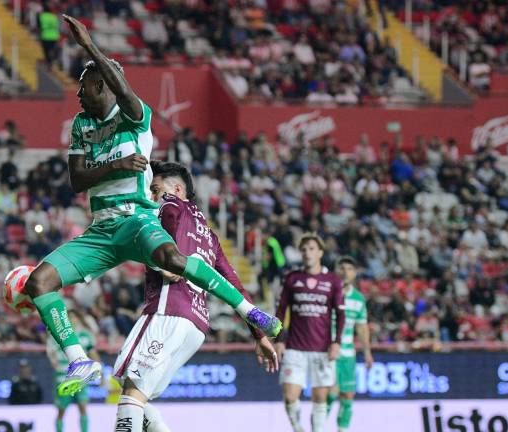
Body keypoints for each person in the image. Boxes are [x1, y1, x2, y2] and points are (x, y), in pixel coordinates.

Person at [24, 15, 281, 398]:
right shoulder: (81, 124)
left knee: (172, 258)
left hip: (136, 218)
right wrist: (115, 166)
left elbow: (121, 90)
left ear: (102, 85)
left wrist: (89, 46)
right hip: (101, 232)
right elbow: (78, 180)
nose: (78, 95)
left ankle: (250, 312)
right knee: (38, 282)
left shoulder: (135, 115)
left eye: (84, 87)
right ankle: (80, 360)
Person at [112, 161, 279, 432]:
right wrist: (258, 335)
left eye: (155, 189)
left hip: (169, 309)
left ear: (176, 189)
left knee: (132, 389)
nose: (152, 196)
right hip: (196, 325)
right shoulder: (211, 237)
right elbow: (234, 285)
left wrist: (161, 260)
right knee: (135, 390)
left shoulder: (169, 204)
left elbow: (160, 237)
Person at [275, 233, 345, 432]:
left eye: (312, 248)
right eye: (304, 249)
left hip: (321, 349)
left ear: (321, 252)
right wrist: (280, 339)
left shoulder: (332, 281)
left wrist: (336, 342)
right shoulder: (292, 278)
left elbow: (340, 315)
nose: (307, 253)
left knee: (321, 398)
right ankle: (298, 428)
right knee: (290, 396)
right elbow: (281, 311)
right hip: (294, 348)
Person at [328, 256, 373, 432]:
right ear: (335, 272)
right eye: (342, 268)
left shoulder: (358, 299)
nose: (345, 272)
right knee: (330, 393)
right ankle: (318, 427)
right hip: (328, 352)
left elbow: (362, 328)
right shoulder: (328, 293)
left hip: (348, 354)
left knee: (347, 395)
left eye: (349, 269)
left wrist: (367, 352)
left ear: (354, 274)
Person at [46, 310, 99, 432]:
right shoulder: (57, 335)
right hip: (63, 377)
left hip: (80, 377)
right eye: (70, 318)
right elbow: (51, 355)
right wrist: (55, 364)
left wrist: (96, 367)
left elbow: (93, 353)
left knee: (83, 407)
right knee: (61, 410)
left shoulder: (85, 336)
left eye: (75, 317)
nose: (73, 320)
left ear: (79, 319)